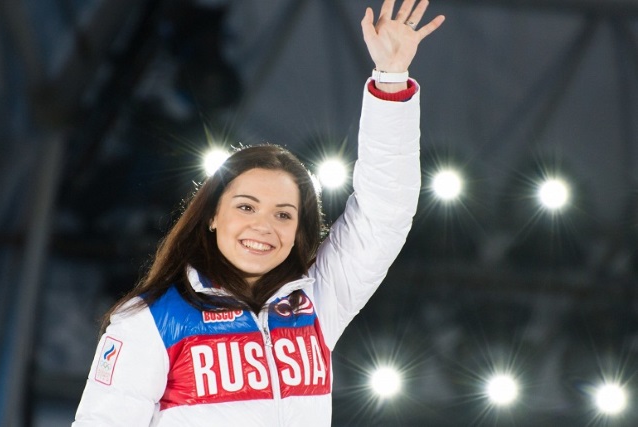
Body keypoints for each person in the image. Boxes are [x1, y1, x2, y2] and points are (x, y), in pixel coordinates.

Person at [73, 0, 444, 425]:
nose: (263, 226)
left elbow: (385, 212)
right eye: (246, 206)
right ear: (211, 216)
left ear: (299, 230)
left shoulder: (318, 301)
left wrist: (391, 80)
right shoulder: (152, 319)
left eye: (284, 214)